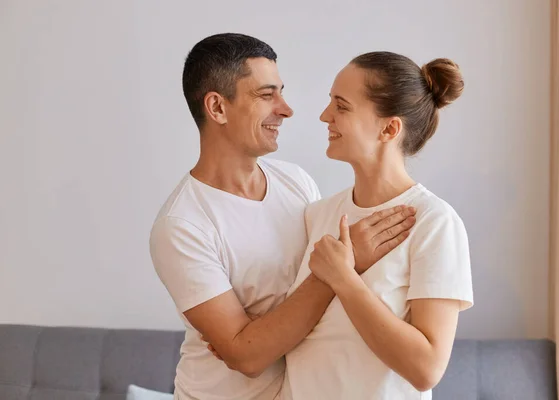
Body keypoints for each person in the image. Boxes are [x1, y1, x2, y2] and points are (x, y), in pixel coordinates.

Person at [149, 34, 416, 400]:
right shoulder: (181, 225)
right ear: (217, 108)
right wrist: (341, 267)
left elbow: (316, 304)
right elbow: (248, 356)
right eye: (266, 95)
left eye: (281, 92)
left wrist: (256, 335)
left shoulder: (296, 182)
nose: (286, 109)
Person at [277, 53, 474, 400]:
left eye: (341, 106)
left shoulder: (434, 223)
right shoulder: (317, 215)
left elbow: (426, 369)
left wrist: (343, 279)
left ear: (389, 128)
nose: (325, 116)